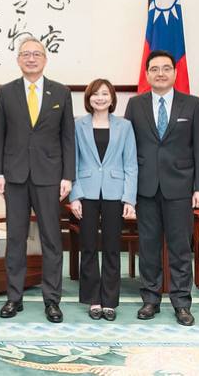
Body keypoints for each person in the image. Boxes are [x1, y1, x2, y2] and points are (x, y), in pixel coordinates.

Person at [124, 49, 199, 326]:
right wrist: (129, 189)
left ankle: (182, 303)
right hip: (145, 187)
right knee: (148, 247)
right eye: (155, 69)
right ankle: (150, 299)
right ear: (147, 74)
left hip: (180, 187)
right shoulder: (135, 105)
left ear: (174, 73)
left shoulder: (193, 104)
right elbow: (128, 149)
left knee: (180, 247)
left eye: (165, 69)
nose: (160, 73)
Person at [0, 37, 75, 323]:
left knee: (52, 239)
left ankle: (52, 300)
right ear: (18, 59)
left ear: (45, 59)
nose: (31, 58)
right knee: (15, 238)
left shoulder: (61, 93)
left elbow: (68, 138)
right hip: (14, 175)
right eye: (25, 54)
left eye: (36, 54)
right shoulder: (6, 92)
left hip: (50, 176)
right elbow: (0, 134)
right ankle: (14, 299)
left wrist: (68, 176)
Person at [69, 79, 137, 321]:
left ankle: (109, 301)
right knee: (88, 247)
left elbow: (130, 164)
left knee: (111, 248)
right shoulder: (78, 125)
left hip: (114, 192)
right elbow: (72, 162)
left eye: (105, 93)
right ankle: (93, 300)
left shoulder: (125, 126)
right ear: (88, 98)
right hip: (85, 192)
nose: (100, 98)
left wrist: (129, 199)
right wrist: (74, 195)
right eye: (95, 94)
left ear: (112, 98)